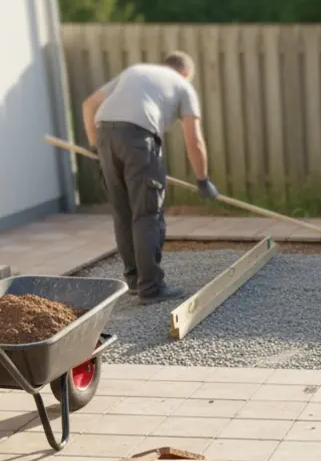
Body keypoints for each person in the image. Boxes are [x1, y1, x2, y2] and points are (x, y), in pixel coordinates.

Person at [82, 51, 220, 303]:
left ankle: (134, 282)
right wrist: (202, 179)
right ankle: (151, 288)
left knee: (123, 213)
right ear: (187, 74)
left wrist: (96, 150)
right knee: (147, 213)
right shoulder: (182, 86)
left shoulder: (135, 72)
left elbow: (90, 105)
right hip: (138, 138)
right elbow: (194, 139)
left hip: (105, 135)